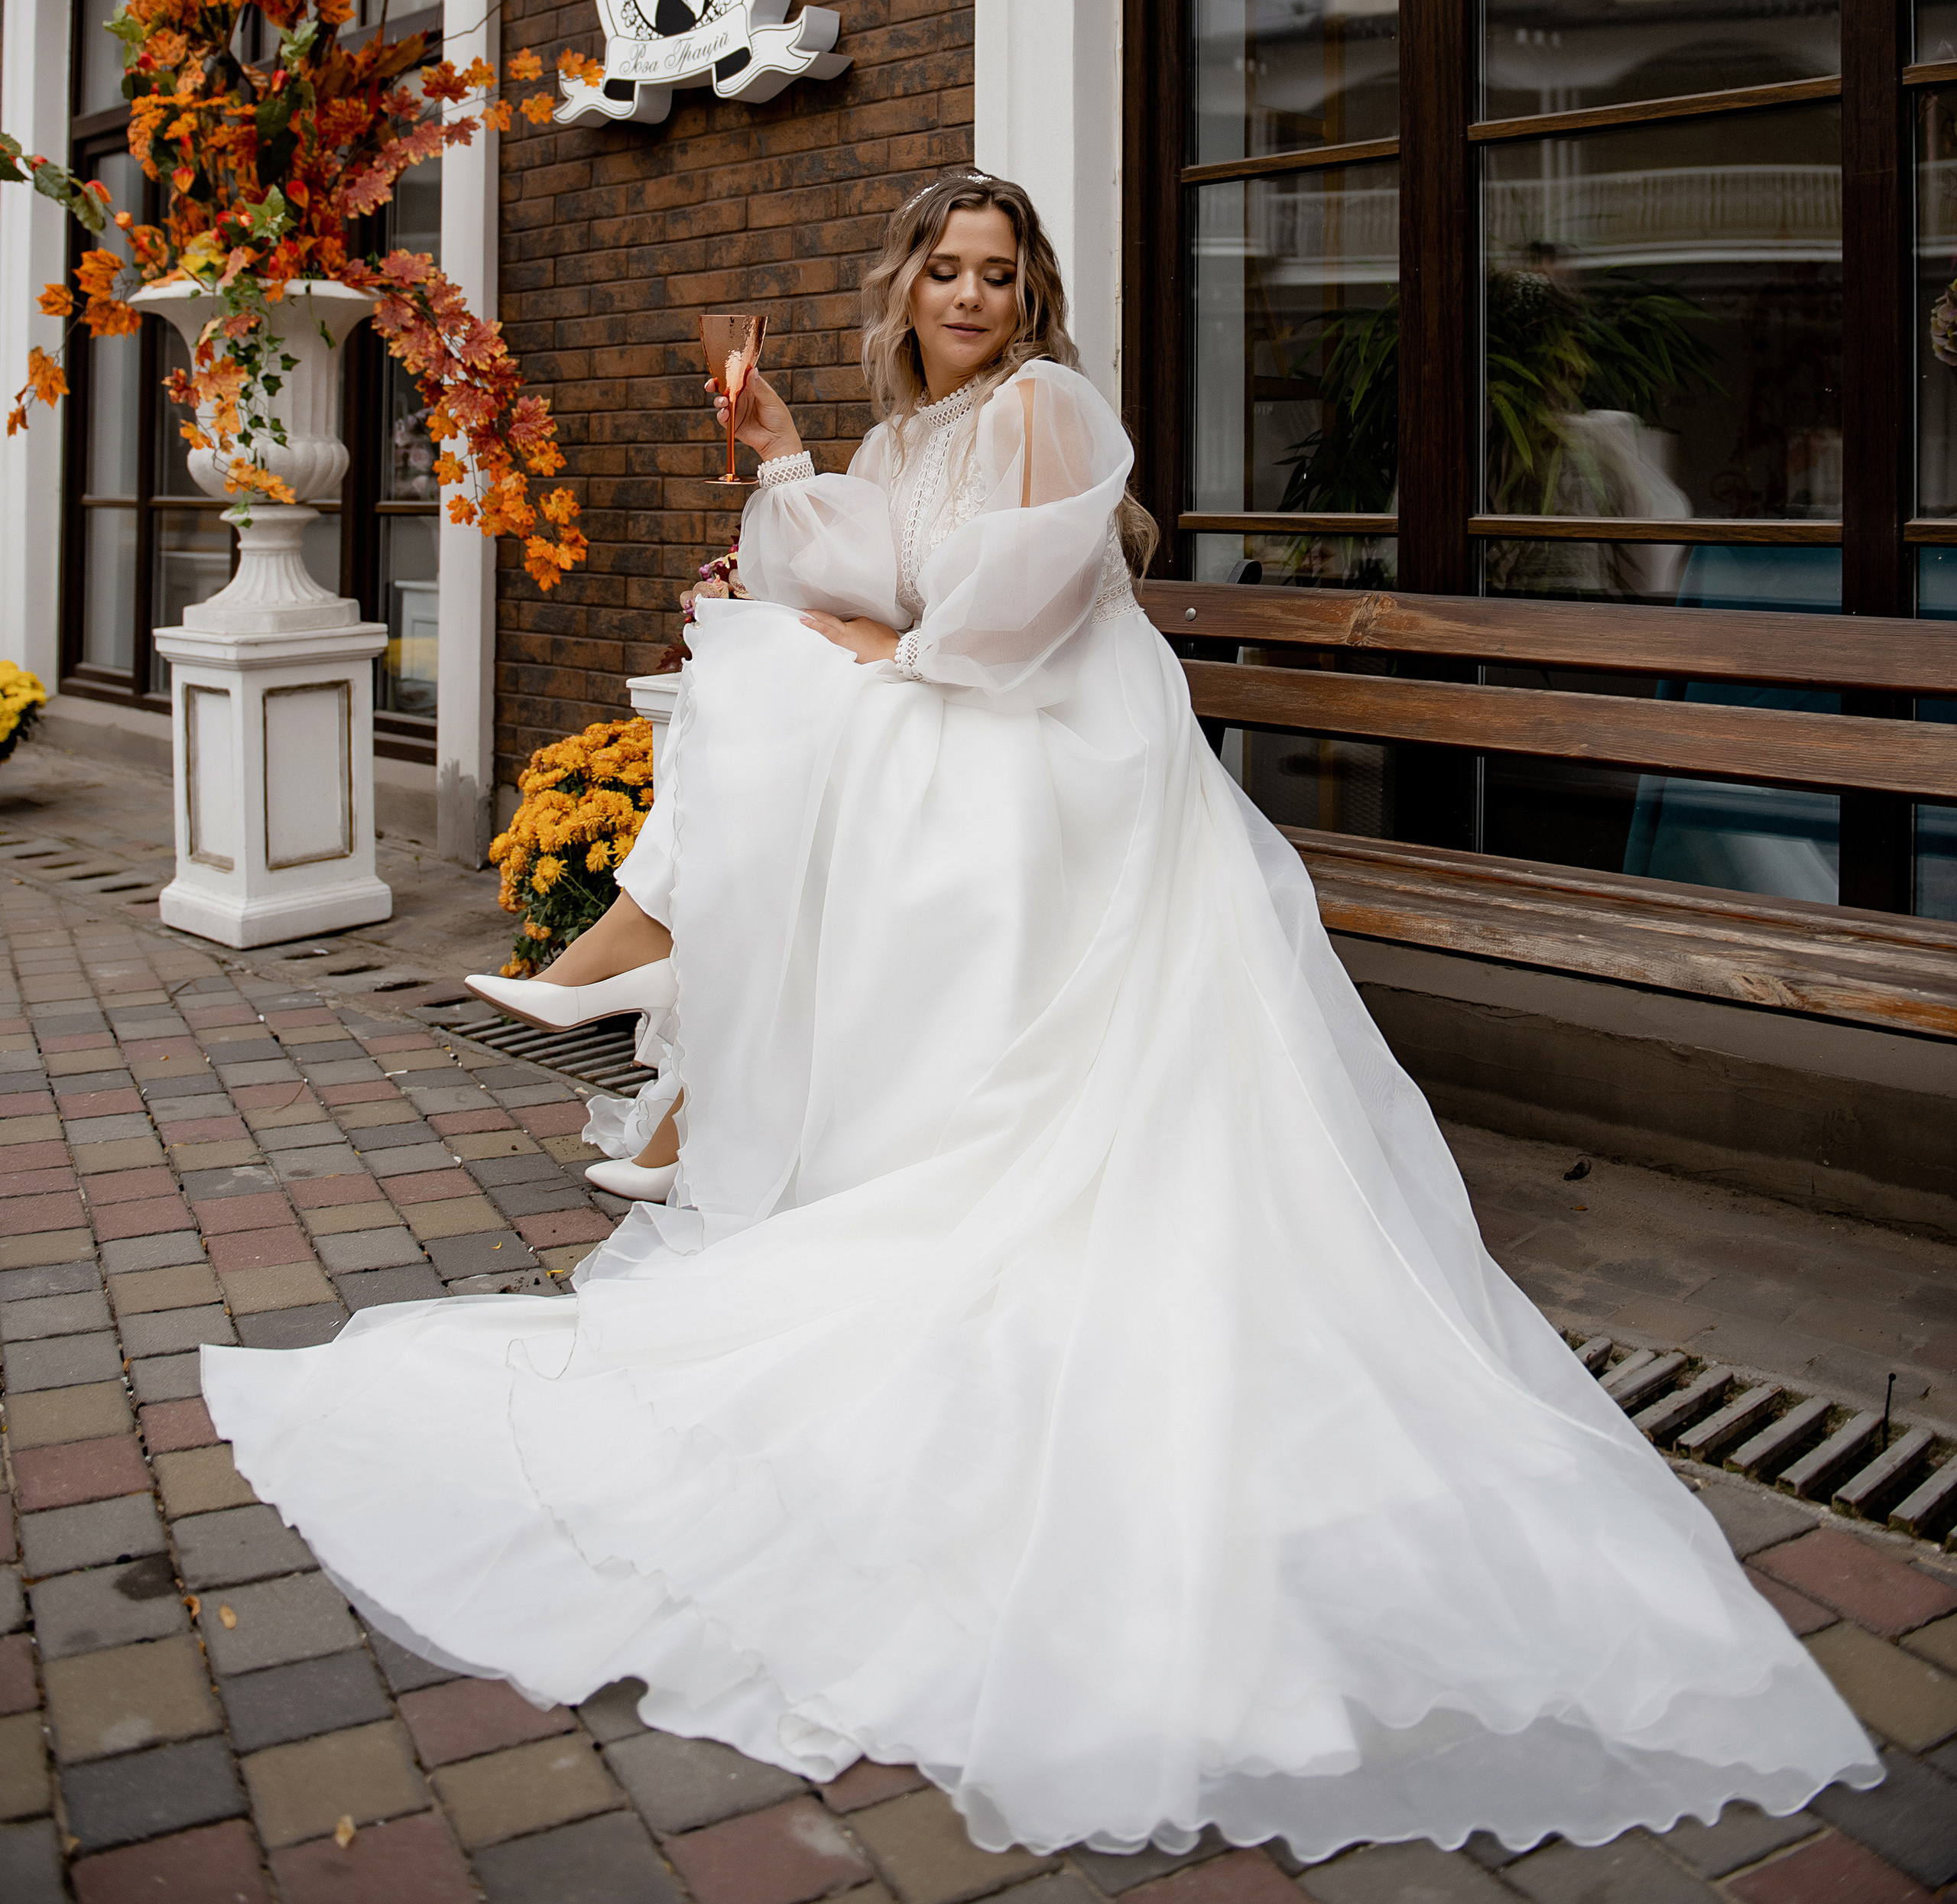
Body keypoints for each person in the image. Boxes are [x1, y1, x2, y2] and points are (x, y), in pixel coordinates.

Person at [202, 171, 1875, 1864]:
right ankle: (661, 978)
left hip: (1069, 748)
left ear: (1030, 292)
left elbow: (1018, 619)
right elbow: (842, 570)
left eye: (999, 274)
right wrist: (779, 455)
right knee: (759, 658)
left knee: (808, 697)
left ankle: (651, 966)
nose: (972, 296)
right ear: (907, 284)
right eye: (945, 269)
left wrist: (876, 653)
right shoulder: (902, 435)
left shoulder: (1050, 409)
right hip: (972, 713)